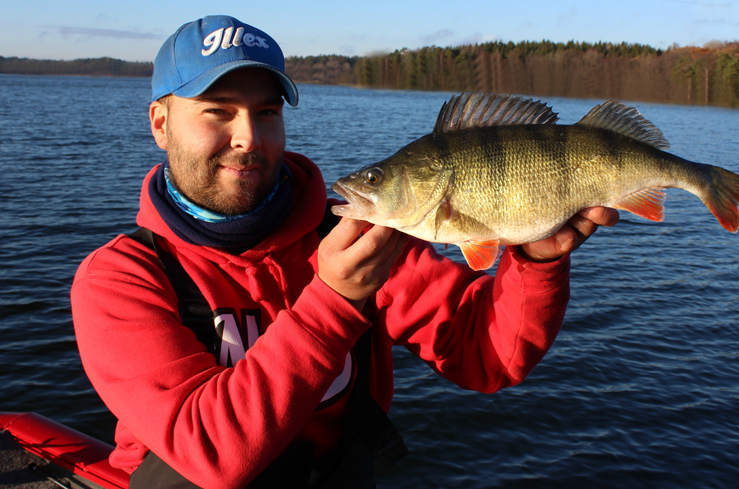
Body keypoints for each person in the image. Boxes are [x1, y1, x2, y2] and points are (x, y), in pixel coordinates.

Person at [71, 15, 619, 489]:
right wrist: (335, 300)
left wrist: (536, 262)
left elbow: (487, 356)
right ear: (161, 124)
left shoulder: (355, 239)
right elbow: (210, 452)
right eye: (217, 111)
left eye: (266, 112)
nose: (249, 137)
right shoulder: (120, 280)